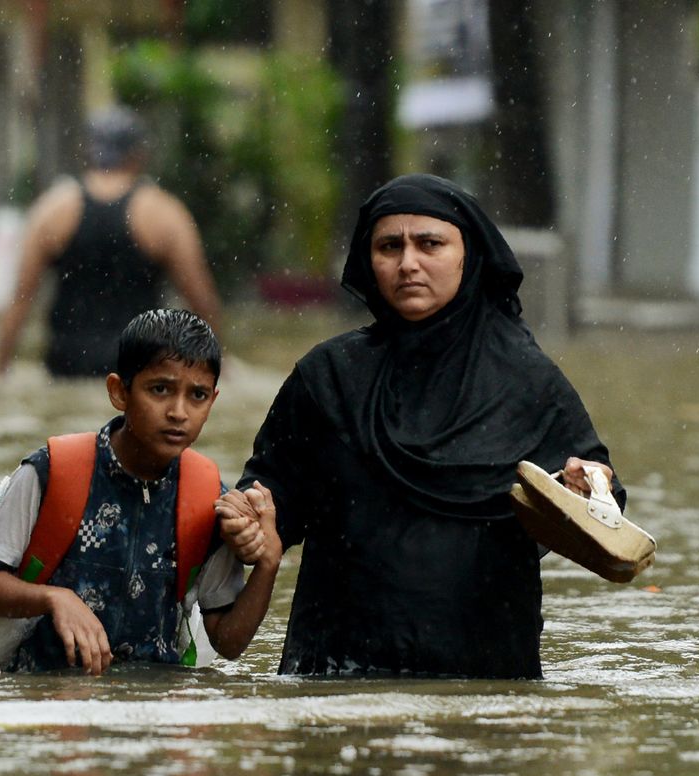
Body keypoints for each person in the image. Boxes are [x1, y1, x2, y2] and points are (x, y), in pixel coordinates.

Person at [221, 174, 622, 680]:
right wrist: (245, 516)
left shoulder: (526, 381)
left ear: (467, 255)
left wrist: (585, 487)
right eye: (389, 246)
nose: (407, 263)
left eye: (429, 243)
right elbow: (269, 498)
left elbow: (603, 506)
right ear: (369, 260)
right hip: (334, 676)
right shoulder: (328, 378)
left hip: (486, 684)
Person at [0, 309, 280, 674]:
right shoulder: (52, 474)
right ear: (119, 392)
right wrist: (53, 598)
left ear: (213, 400)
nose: (178, 412)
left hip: (154, 704)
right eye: (160, 389)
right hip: (47, 698)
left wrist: (268, 562)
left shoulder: (207, 499)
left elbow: (228, 642)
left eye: (197, 395)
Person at [0, 106, 223, 379]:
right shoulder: (165, 214)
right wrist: (220, 363)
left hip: (67, 365)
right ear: (139, 154)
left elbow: (20, 301)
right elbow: (201, 299)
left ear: (88, 151)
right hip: (139, 369)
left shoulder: (51, 211)